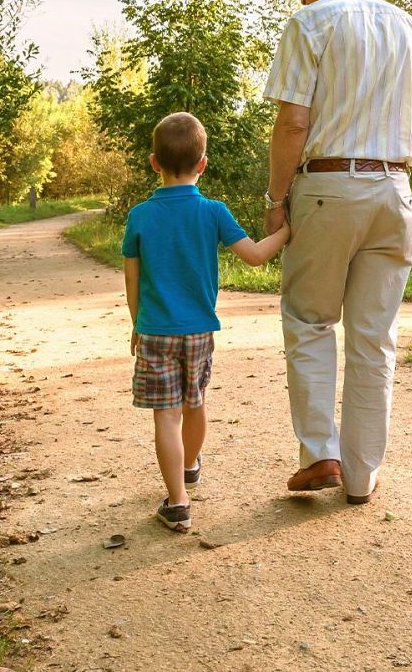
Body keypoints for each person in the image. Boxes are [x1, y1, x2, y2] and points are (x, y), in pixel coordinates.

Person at [261, 0, 412, 505]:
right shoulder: (406, 25)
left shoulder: (311, 22)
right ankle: (361, 476)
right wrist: (390, 166)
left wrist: (275, 200)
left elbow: (292, 122)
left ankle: (320, 456)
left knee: (311, 321)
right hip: (395, 190)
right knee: (373, 336)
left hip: (328, 188)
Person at [122, 112, 290, 531]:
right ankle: (191, 464)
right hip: (199, 330)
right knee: (194, 402)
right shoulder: (212, 211)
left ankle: (177, 502)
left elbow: (132, 277)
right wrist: (289, 231)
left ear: (153, 162)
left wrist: (136, 323)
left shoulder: (140, 216)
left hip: (156, 330)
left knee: (166, 415)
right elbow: (254, 255)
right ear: (203, 163)